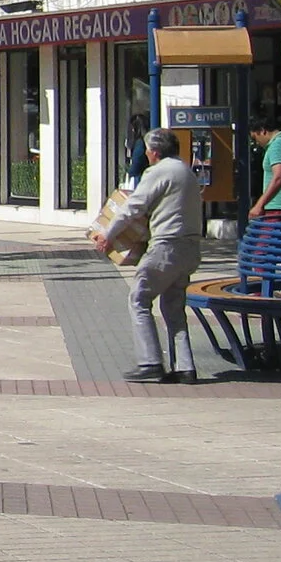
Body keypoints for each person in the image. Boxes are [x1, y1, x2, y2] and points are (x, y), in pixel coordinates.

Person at [91, 127, 204, 382]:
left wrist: (108, 234)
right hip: (190, 248)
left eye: (146, 151)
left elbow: (132, 207)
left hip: (166, 245)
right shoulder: (186, 170)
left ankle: (150, 361)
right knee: (173, 306)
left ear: (154, 152)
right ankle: (184, 366)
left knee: (139, 299)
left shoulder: (159, 172)